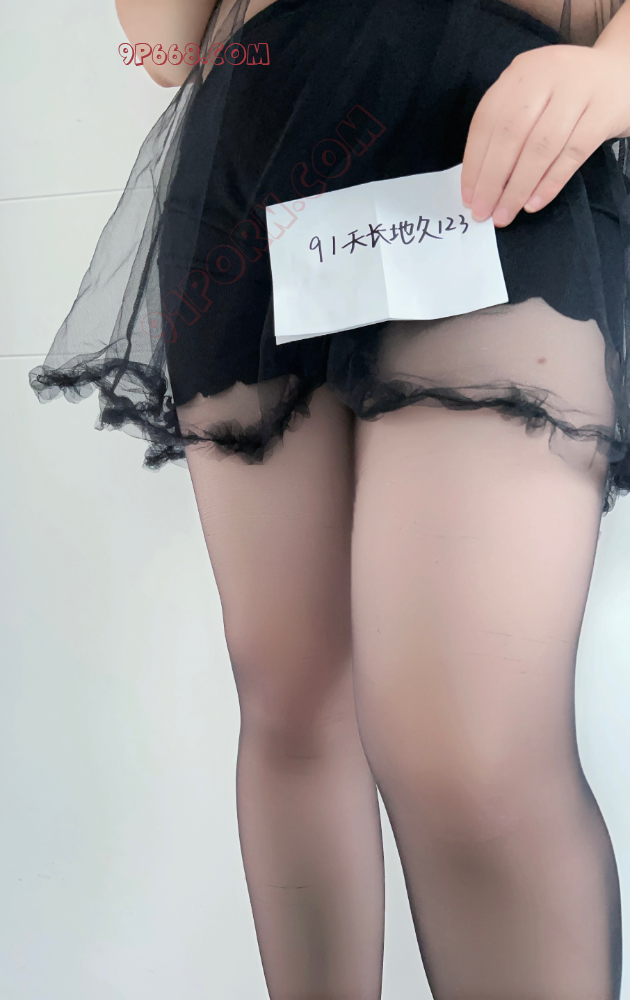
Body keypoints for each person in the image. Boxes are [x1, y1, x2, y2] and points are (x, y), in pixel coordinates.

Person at [30, 0, 630, 996]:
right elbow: (162, 50)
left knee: (468, 745)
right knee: (292, 704)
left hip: (490, 151)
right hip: (250, 173)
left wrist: (617, 72)